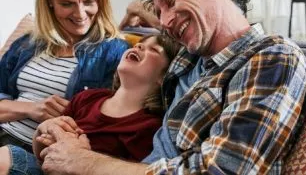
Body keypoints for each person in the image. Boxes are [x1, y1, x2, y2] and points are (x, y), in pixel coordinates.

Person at [39, 0, 306, 175]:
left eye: (172, 1)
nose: (166, 21)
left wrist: (83, 162)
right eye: (159, 13)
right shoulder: (190, 55)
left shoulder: (271, 56)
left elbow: (223, 170)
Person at [0, 0, 129, 151]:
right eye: (66, 4)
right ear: (49, 1)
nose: (80, 14)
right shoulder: (28, 44)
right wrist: (32, 109)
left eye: (89, 2)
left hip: (33, 149)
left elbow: (104, 125)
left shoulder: (114, 53)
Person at [0, 34, 181, 175]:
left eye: (154, 50)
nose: (139, 45)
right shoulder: (87, 97)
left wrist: (83, 158)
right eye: (138, 44)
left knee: (5, 157)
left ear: (163, 77)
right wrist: (43, 130)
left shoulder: (149, 127)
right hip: (44, 168)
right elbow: (43, 156)